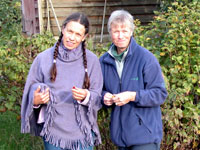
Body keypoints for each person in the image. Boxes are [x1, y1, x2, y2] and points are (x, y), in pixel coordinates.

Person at [21, 12, 103, 150]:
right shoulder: (43, 59)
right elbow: (30, 93)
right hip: (53, 132)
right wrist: (36, 100)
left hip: (83, 132)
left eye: (78, 34)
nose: (72, 37)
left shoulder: (92, 60)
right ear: (63, 29)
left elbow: (97, 96)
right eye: (70, 31)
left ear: (84, 37)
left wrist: (85, 96)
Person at [99, 10, 168, 150]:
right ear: (110, 33)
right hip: (120, 137)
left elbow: (160, 94)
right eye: (116, 31)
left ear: (131, 32)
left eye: (124, 31)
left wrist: (132, 96)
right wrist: (103, 96)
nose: (120, 36)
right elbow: (99, 90)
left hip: (145, 136)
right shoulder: (104, 61)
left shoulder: (146, 59)